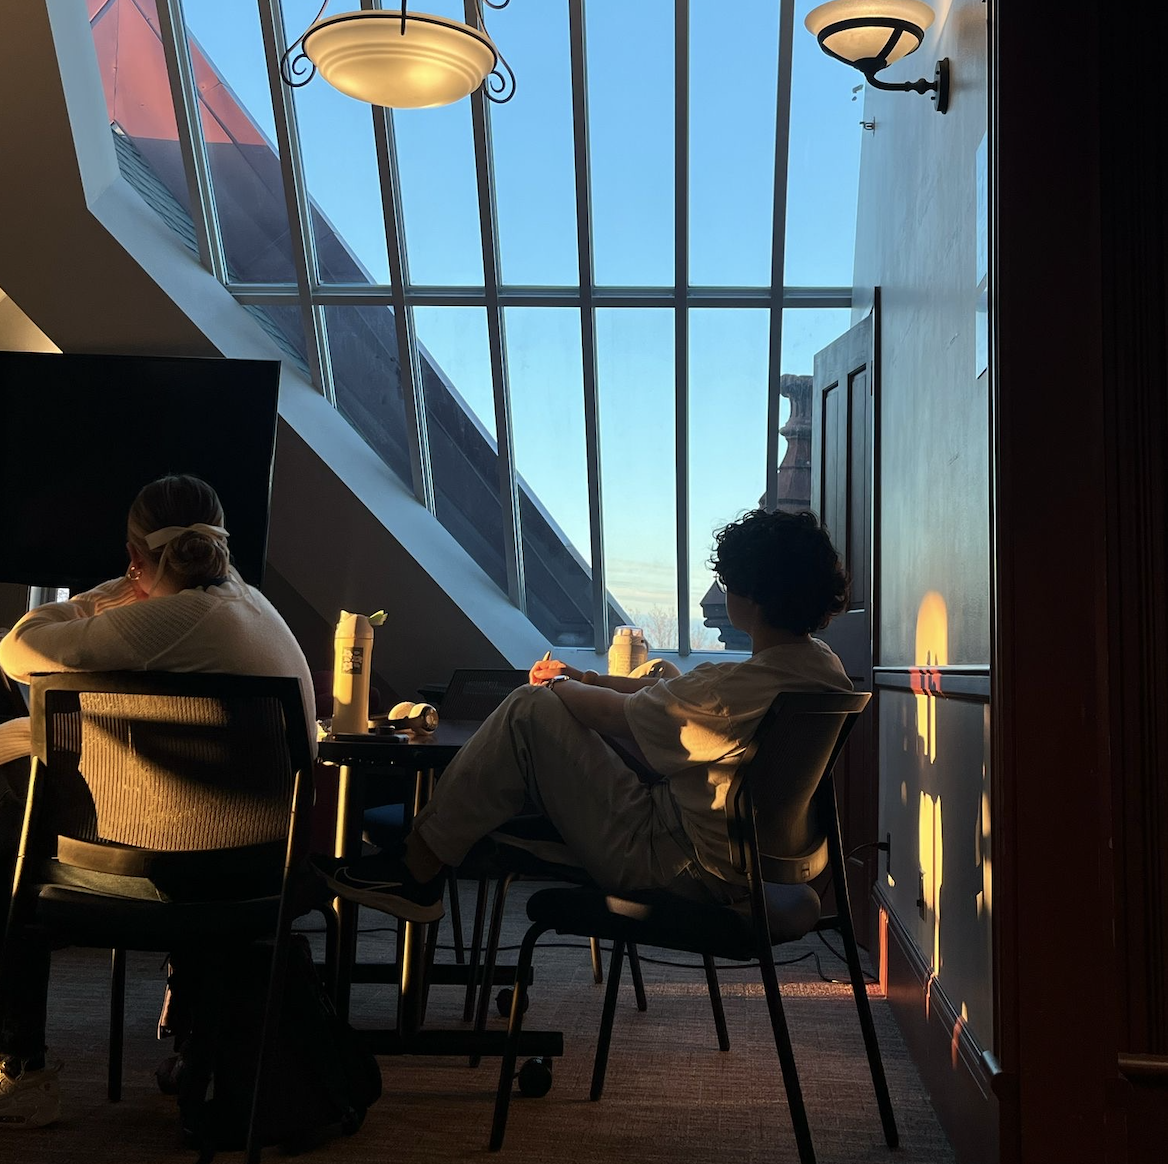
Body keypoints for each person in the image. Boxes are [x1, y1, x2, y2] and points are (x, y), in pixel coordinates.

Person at [317, 508, 854, 925]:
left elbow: (621, 716)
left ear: (752, 598)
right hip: (754, 863)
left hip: (679, 866)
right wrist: (588, 679)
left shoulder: (734, 694)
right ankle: (465, 833)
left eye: (729, 583)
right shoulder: (817, 669)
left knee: (528, 709)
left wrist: (558, 684)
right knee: (655, 674)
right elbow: (675, 693)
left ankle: (416, 869)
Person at [0, 474, 315, 1129]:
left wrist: (113, 591)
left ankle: (21, 1066)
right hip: (261, 873)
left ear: (135, 556)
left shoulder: (168, 621)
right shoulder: (254, 608)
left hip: (166, 875)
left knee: (11, 850)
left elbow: (16, 649)